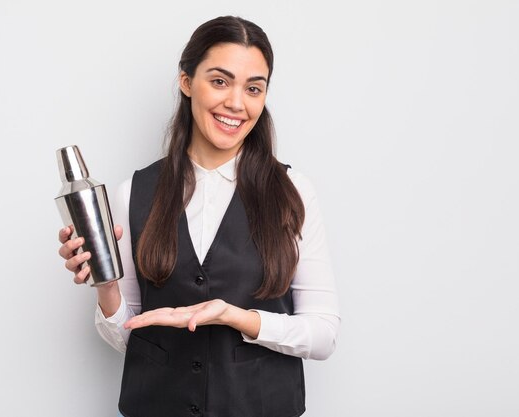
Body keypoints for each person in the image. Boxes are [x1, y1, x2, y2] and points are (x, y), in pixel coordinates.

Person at [58, 15, 340, 417]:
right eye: (220, 81)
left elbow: (324, 335)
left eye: (254, 88)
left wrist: (238, 318)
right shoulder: (134, 193)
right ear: (187, 82)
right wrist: (105, 287)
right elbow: (129, 335)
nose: (237, 104)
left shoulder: (294, 193)